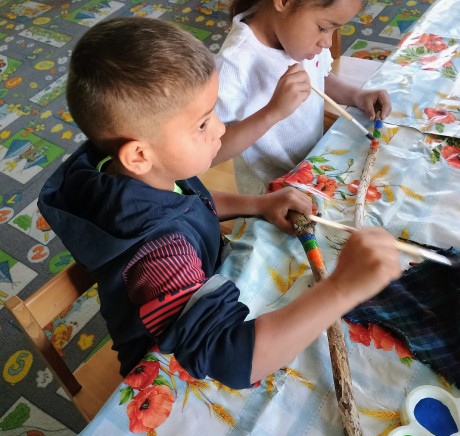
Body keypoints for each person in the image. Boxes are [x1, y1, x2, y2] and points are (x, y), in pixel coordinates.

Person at [38, 17, 401, 390]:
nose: (221, 128)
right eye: (202, 124)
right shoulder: (159, 255)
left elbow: (186, 203)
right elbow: (233, 358)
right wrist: (341, 288)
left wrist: (257, 204)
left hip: (204, 287)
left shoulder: (134, 172)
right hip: (168, 365)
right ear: (139, 155)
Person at [214, 0, 392, 194]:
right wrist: (272, 112)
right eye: (323, 28)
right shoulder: (232, 64)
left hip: (313, 166)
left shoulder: (302, 40)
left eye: (335, 29)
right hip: (272, 192)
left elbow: (320, 78)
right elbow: (213, 150)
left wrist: (357, 96)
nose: (328, 42)